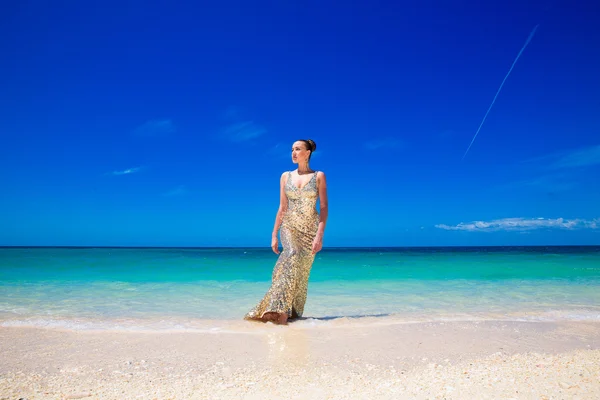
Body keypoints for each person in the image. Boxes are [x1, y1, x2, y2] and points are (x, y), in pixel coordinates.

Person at [244, 139, 328, 325]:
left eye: (298, 149)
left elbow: (323, 208)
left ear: (308, 153)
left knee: (301, 271)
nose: (293, 153)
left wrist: (319, 235)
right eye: (292, 149)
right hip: (289, 226)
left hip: (309, 230)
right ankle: (275, 309)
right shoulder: (285, 176)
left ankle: (291, 312)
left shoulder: (319, 176)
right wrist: (274, 234)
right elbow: (282, 207)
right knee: (291, 255)